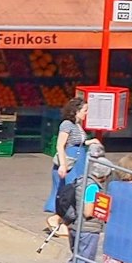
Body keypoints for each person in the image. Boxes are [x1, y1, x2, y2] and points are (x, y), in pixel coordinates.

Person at [45, 95, 90, 232]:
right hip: (71, 161)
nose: (86, 113)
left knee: (75, 191)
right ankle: (57, 219)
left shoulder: (78, 125)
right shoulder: (66, 124)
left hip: (79, 160)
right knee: (68, 192)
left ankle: (64, 222)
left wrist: (90, 142)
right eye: (85, 110)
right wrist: (63, 165)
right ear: (76, 110)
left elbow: (79, 142)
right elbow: (60, 145)